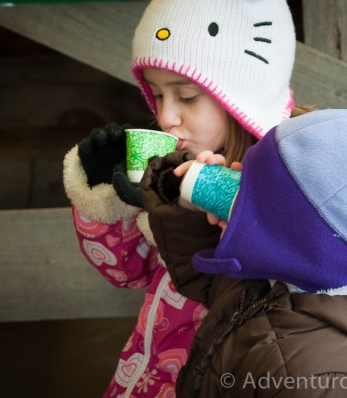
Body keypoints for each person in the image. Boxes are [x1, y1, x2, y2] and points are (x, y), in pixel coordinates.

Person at [140, 95, 347, 397]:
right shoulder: (290, 273)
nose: (236, 176)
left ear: (304, 239)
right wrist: (186, 207)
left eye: (255, 191)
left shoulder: (322, 380)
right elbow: (217, 290)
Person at [62, 0, 307, 396]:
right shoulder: (174, 165)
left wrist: (185, 216)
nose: (165, 118)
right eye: (158, 96)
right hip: (148, 375)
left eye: (187, 97)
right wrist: (108, 201)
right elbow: (126, 273)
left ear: (243, 94)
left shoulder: (291, 181)